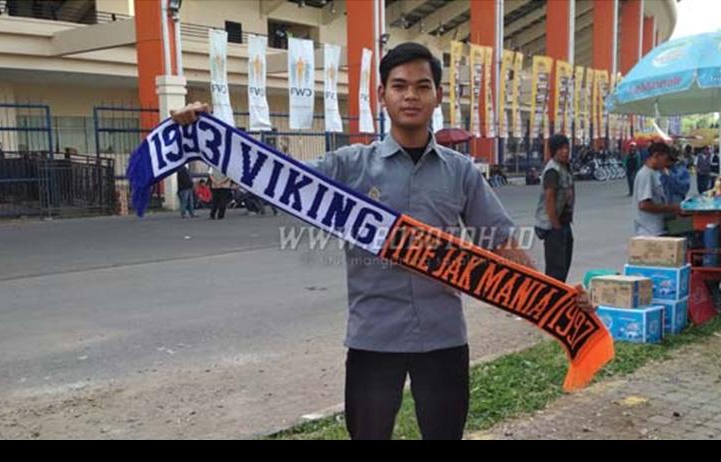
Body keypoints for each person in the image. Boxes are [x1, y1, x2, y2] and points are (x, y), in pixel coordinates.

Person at [171, 42, 593, 441]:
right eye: (400, 86)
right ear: (382, 95)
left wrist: (552, 296)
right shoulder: (349, 165)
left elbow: (501, 240)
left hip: (442, 337)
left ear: (437, 96)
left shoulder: (460, 171)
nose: (411, 96)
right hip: (374, 339)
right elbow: (278, 179)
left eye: (422, 86)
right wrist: (210, 137)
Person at [535, 134, 575, 282]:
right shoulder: (552, 170)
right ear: (553, 151)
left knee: (564, 267)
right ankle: (550, 302)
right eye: (560, 149)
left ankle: (558, 300)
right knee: (555, 273)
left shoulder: (565, 167)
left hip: (564, 224)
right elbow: (549, 199)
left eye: (567, 148)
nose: (565, 151)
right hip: (554, 228)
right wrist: (556, 226)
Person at [633, 141, 682, 236]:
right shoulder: (646, 174)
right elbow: (644, 205)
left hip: (656, 228)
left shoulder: (654, 173)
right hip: (649, 231)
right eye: (665, 160)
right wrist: (672, 208)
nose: (666, 164)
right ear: (656, 155)